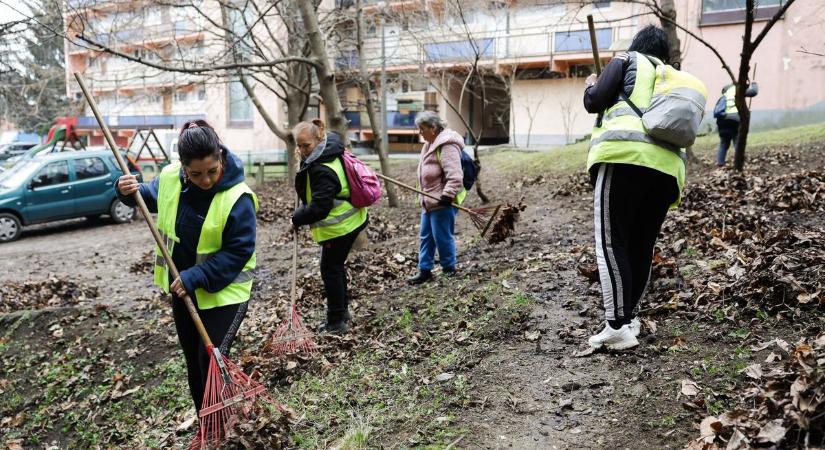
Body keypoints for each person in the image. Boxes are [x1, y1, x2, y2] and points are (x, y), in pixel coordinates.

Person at [115, 120, 257, 410]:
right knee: (194, 361)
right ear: (183, 167)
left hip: (225, 296)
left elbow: (239, 250)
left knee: (211, 362)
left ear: (221, 157)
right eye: (196, 174)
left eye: (212, 172)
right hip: (184, 292)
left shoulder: (237, 197)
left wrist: (197, 275)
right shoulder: (170, 178)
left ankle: (224, 424)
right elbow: (147, 197)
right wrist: (126, 190)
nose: (205, 180)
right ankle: (206, 424)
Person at [582, 25, 690, 350]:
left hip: (624, 156)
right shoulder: (671, 77)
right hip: (667, 171)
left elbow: (594, 101)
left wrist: (591, 85)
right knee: (641, 245)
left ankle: (616, 326)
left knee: (613, 243)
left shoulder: (626, 60)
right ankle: (628, 319)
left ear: (636, 45)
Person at [291, 119, 368, 334]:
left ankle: (336, 322)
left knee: (330, 270)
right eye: (298, 145)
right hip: (351, 220)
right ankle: (342, 313)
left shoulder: (322, 168)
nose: (302, 150)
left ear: (319, 139)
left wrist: (296, 218)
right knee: (336, 267)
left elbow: (319, 208)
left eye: (305, 145)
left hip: (341, 226)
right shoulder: (329, 151)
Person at [406, 111, 465, 285]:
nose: (420, 133)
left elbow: (455, 175)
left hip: (442, 202)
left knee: (442, 237)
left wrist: (447, 196)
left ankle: (449, 268)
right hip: (428, 201)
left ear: (433, 127)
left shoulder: (447, 145)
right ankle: (425, 270)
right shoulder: (429, 144)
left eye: (422, 129)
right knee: (426, 237)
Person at [715, 82, 759, 167]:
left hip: (722, 120)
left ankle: (720, 165)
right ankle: (739, 163)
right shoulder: (737, 90)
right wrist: (754, 83)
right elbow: (753, 92)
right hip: (734, 119)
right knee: (737, 142)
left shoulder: (725, 94)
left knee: (723, 143)